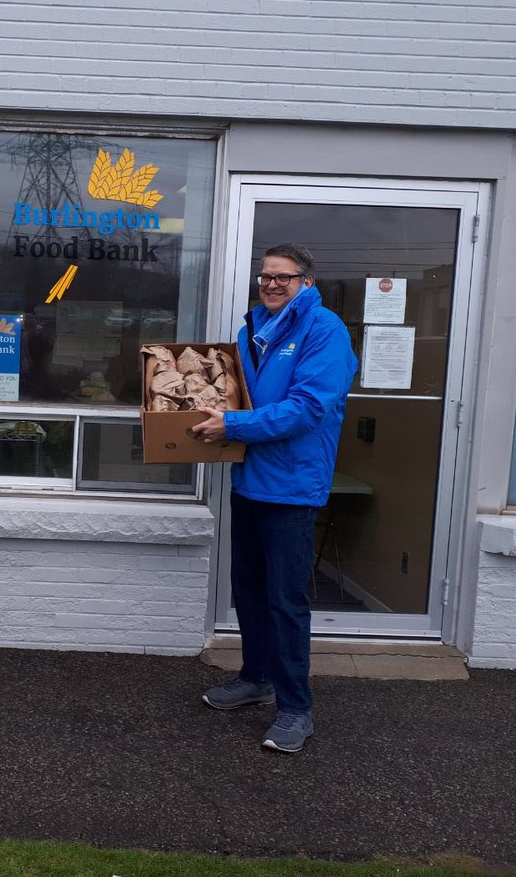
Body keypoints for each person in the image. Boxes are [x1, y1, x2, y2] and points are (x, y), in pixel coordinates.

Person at [192, 243, 357, 754]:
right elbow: (235, 396)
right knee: (251, 589)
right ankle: (256, 678)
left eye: (283, 277)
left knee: (286, 601)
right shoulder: (251, 332)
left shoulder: (324, 330)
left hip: (292, 486)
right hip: (249, 479)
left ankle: (295, 708)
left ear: (306, 282)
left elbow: (307, 408)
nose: (271, 285)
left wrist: (233, 424)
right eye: (265, 277)